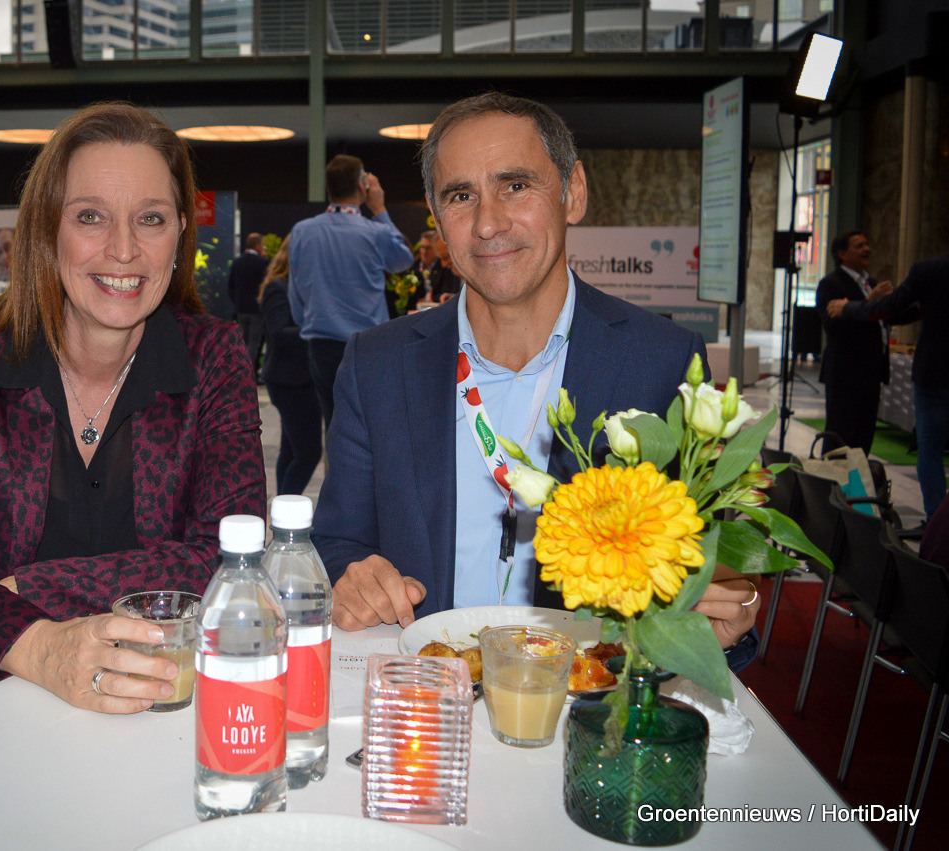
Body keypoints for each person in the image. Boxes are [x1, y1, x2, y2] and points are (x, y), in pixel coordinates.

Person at [312, 93, 760, 667]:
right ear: (437, 216)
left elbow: (712, 575)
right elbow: (338, 543)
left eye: (516, 185)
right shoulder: (377, 365)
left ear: (574, 192)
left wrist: (720, 622)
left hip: (586, 701)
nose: (488, 223)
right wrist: (351, 579)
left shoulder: (661, 363)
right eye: (460, 196)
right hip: (427, 693)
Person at [0, 102, 265, 714]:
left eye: (151, 219)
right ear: (46, 230)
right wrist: (42, 649)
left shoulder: (215, 358)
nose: (123, 249)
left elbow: (229, 556)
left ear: (179, 234)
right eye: (90, 217)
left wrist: (20, 590)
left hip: (160, 702)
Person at [287, 154, 412, 428]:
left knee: (333, 425)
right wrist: (379, 209)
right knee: (371, 427)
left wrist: (307, 323)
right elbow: (403, 260)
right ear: (361, 187)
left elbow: (295, 293)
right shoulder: (375, 232)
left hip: (321, 345)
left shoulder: (302, 231)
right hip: (369, 346)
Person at [829, 253, 947, 520]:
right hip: (932, 375)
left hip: (935, 373)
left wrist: (849, 308)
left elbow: (892, 306)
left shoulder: (930, 269)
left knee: (930, 451)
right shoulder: (833, 282)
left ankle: (937, 524)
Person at [815, 230, 916, 455]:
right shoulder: (831, 284)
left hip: (871, 373)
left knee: (863, 436)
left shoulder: (870, 282)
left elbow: (890, 315)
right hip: (845, 374)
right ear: (842, 254)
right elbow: (833, 326)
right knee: (840, 437)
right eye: (859, 246)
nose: (867, 249)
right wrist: (869, 301)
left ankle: (859, 477)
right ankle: (833, 478)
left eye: (867, 244)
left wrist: (922, 305)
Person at [259, 242, 322, 495]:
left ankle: (282, 506)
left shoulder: (297, 287)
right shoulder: (278, 287)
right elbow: (279, 333)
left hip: (298, 378)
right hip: (289, 380)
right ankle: (286, 508)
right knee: (308, 454)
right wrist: (318, 328)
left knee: (292, 450)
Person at [227, 232, 269, 375]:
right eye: (262, 244)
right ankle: (248, 373)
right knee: (254, 342)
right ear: (257, 245)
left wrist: (236, 302)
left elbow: (231, 286)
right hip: (257, 309)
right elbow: (267, 286)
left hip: (241, 308)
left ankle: (240, 371)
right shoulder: (263, 263)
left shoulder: (237, 262)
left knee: (243, 342)